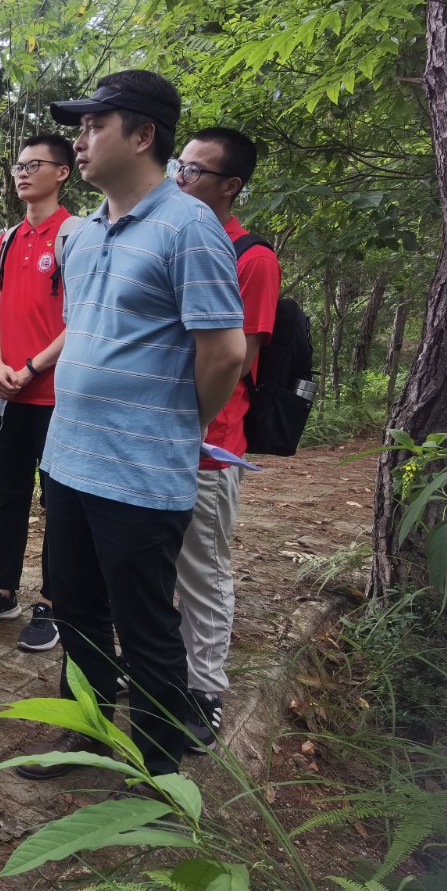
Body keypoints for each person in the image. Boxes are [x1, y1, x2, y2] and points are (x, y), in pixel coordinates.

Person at [11, 71, 245, 789]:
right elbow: (88, 333)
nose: (80, 140)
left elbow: (226, 350)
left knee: (145, 623)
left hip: (142, 471)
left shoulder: (189, 227)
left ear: (143, 136)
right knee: (77, 611)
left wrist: (181, 424)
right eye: (79, 128)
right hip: (71, 461)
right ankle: (86, 732)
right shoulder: (85, 237)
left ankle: (159, 767)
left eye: (95, 126)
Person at [173, 128, 279, 751]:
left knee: (203, 569)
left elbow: (236, 358)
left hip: (210, 444)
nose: (179, 178)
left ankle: (204, 689)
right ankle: (160, 668)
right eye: (178, 166)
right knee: (154, 566)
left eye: (194, 171)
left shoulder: (252, 258)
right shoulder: (176, 241)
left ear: (230, 186)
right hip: (154, 439)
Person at [0, 135, 76, 652]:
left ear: (63, 173)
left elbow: (84, 318)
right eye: (19, 165)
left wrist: (32, 366)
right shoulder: (6, 240)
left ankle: (51, 601)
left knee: (58, 502)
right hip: (9, 394)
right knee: (8, 497)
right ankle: (3, 589)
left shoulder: (75, 235)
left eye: (35, 165)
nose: (23, 173)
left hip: (57, 395)